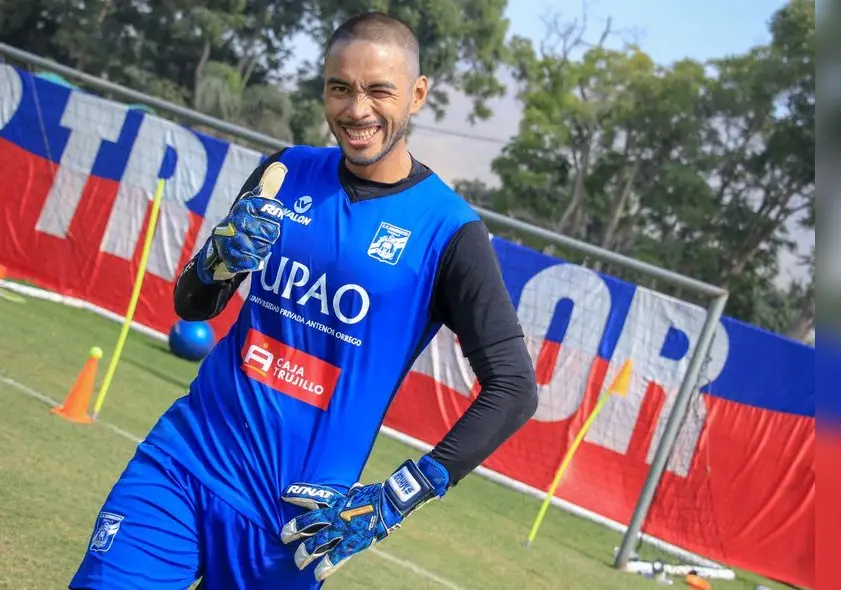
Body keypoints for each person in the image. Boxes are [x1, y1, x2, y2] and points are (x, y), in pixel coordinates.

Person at [70, 11, 538, 590]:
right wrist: (218, 261)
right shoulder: (283, 173)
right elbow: (195, 304)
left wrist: (400, 495)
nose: (356, 109)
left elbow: (514, 388)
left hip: (292, 525)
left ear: (416, 95)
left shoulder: (449, 232)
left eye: (378, 90)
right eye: (340, 88)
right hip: (185, 461)